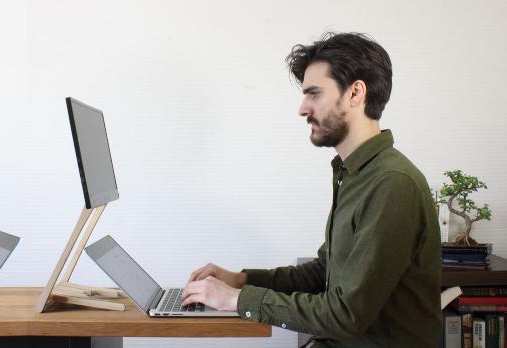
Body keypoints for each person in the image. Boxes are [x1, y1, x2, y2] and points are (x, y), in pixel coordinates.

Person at [180, 32, 442, 347]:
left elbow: (346, 315)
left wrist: (237, 299)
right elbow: (325, 271)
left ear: (355, 93)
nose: (303, 108)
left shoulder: (392, 183)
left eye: (314, 94)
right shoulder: (355, 173)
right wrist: (242, 280)